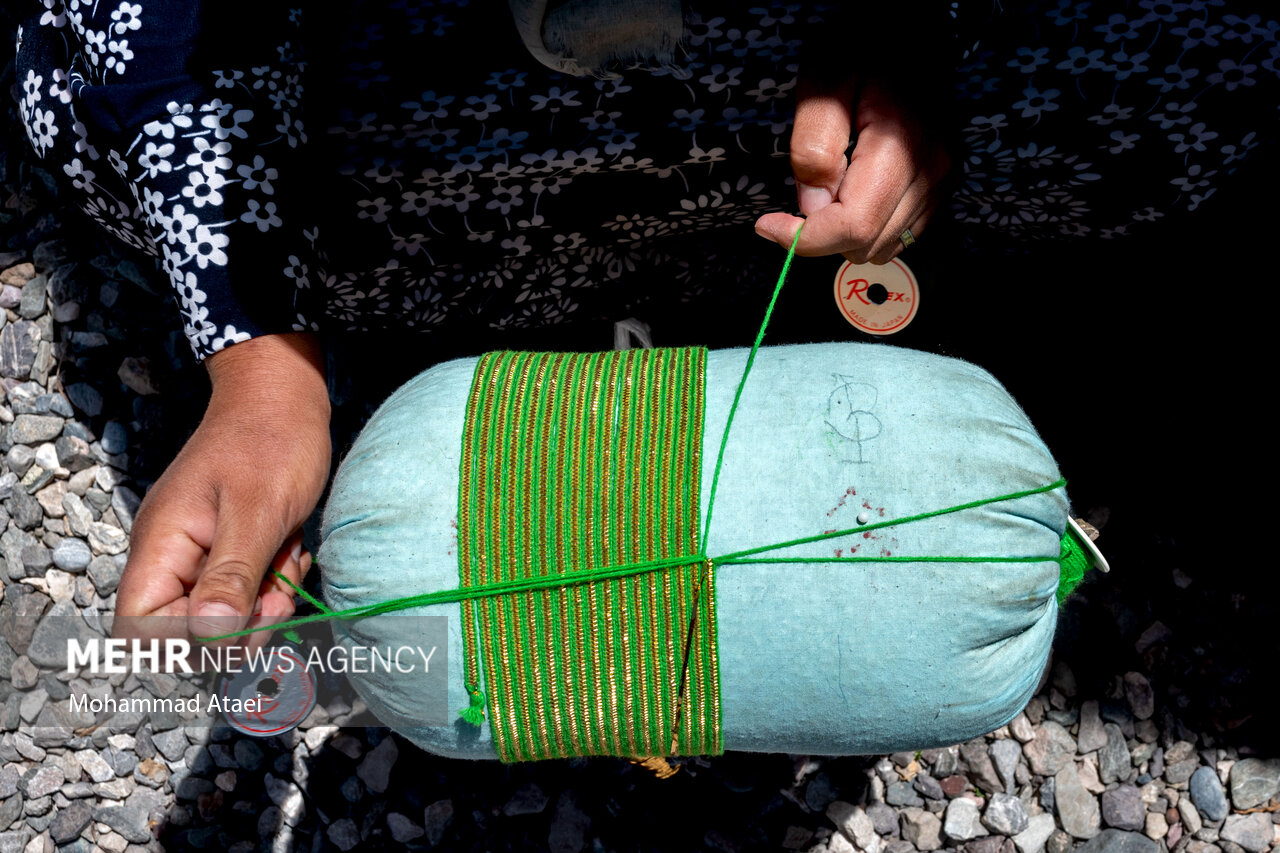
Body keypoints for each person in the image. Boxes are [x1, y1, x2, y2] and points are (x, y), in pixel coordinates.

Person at [15, 0, 1274, 650]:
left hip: (752, 70)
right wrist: (259, 357)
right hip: (413, 69)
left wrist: (904, 49)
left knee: (1202, 70)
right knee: (90, 84)